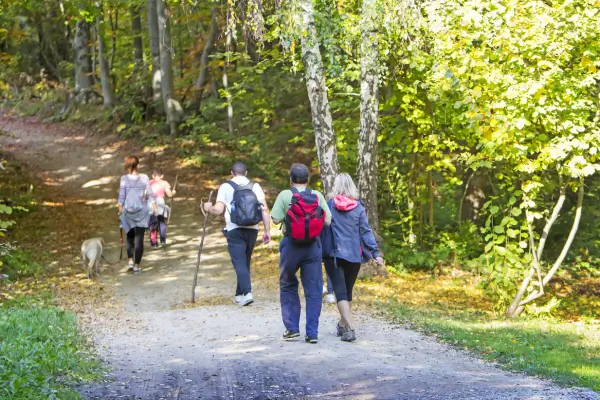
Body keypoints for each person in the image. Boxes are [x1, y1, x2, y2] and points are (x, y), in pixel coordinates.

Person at [271, 163, 331, 344]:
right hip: (313, 246)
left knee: (288, 284)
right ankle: (312, 333)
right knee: (313, 290)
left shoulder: (284, 195)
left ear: (291, 179)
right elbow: (328, 220)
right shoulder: (317, 195)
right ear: (308, 179)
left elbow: (274, 220)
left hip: (291, 245)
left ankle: (292, 329)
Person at [322, 173, 383, 342]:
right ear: (352, 187)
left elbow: (321, 228)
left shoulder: (328, 206)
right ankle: (343, 326)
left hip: (334, 255)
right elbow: (365, 231)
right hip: (354, 256)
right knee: (346, 292)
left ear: (336, 187)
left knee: (341, 293)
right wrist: (375, 253)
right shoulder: (358, 208)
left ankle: (349, 327)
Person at [204, 162, 271, 307]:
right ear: (246, 173)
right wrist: (267, 230)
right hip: (252, 229)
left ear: (232, 173)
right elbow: (265, 209)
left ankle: (247, 293)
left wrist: (208, 208)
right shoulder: (255, 186)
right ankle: (239, 295)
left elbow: (218, 210)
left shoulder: (226, 186)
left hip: (235, 228)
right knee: (245, 261)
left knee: (239, 262)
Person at [118, 156, 158, 273]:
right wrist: (155, 208)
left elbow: (121, 197)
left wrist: (120, 211)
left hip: (128, 212)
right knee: (139, 239)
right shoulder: (144, 177)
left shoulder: (124, 178)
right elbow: (150, 194)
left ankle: (130, 261)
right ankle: (136, 266)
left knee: (130, 236)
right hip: (142, 212)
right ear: (138, 165)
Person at [148, 169, 175, 249]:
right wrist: (173, 192)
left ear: (153, 176)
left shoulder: (149, 183)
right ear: (162, 176)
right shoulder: (164, 183)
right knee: (161, 222)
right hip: (160, 203)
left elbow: (145, 194)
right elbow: (169, 195)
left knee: (153, 223)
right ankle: (163, 241)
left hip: (151, 203)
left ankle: (154, 243)